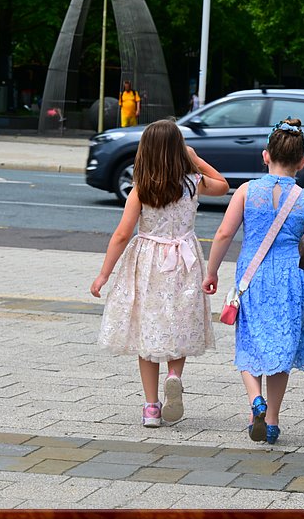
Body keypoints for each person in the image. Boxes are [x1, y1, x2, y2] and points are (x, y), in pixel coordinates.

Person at [91, 119, 229, 428]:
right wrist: (195, 159)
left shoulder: (142, 188)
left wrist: (103, 275)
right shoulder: (193, 182)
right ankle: (174, 376)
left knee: (148, 332)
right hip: (185, 262)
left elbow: (122, 234)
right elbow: (222, 185)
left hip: (149, 264)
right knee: (178, 326)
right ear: (180, 150)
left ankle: (151, 407)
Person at [202, 119, 304, 444]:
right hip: (293, 277)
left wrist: (212, 272)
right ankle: (271, 421)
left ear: (265, 156)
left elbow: (224, 234)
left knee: (250, 339)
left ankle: (254, 401)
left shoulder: (247, 191)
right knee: (281, 348)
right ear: (302, 163)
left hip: (254, 275)